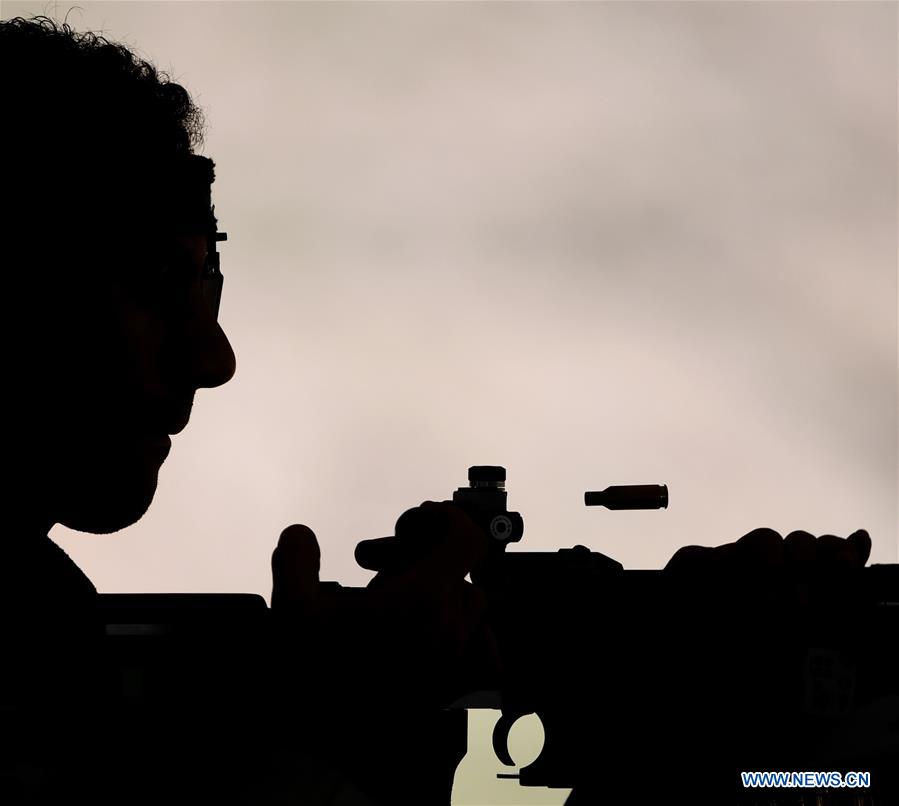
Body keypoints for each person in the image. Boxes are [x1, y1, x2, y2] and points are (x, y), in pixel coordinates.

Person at [1, 15, 874, 806]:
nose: (213, 359)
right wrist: (337, 720)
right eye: (157, 285)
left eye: (208, 283)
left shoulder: (39, 618)